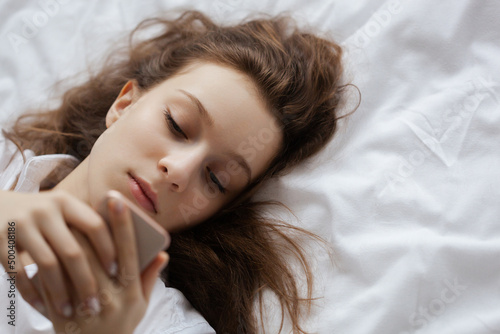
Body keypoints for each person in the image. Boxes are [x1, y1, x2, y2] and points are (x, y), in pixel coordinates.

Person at [0, 9, 350, 334]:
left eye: (216, 179)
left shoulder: (163, 324)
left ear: (217, 210)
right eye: (177, 125)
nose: (178, 171)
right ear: (124, 105)